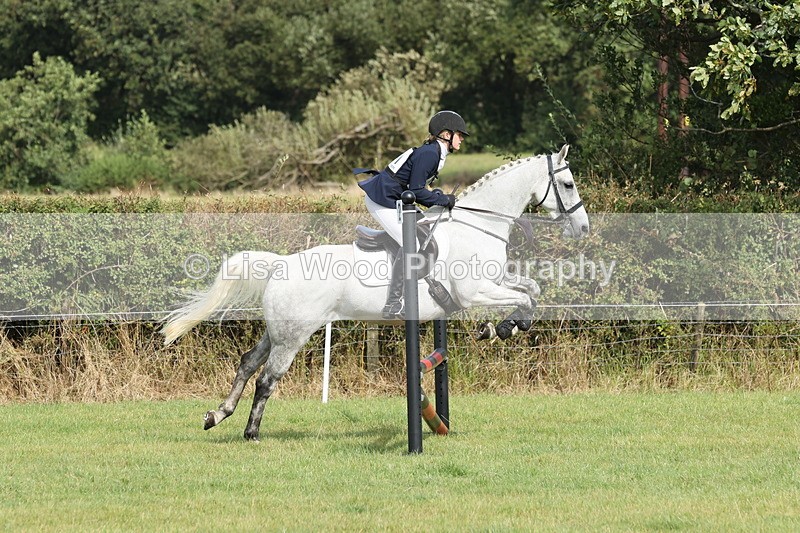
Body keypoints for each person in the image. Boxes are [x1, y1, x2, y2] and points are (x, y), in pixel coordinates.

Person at [357, 110, 469, 319]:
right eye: (459, 134)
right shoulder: (430, 153)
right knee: (412, 245)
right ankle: (392, 303)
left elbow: (416, 187)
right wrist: (443, 200)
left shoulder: (434, 151)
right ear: (446, 134)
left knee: (426, 233)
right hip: (383, 200)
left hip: (397, 199)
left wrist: (437, 195)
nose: (462, 139)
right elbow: (416, 192)